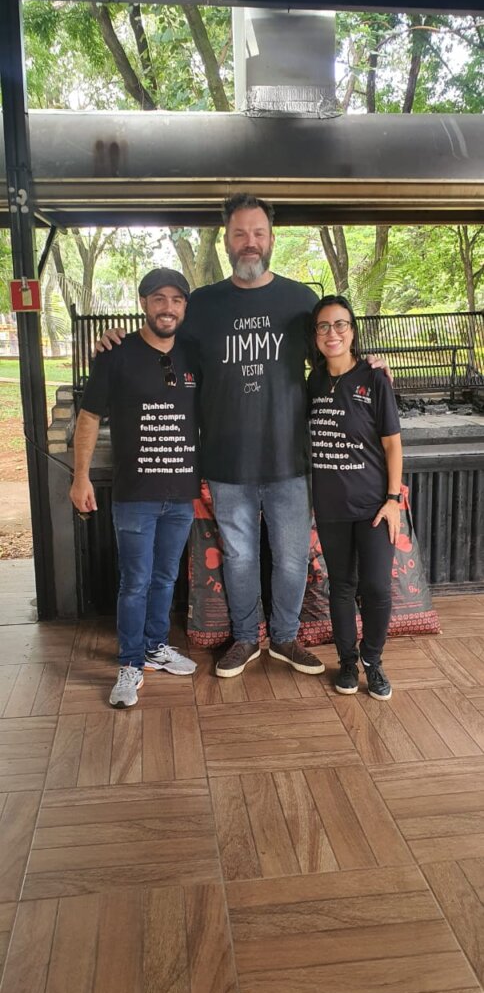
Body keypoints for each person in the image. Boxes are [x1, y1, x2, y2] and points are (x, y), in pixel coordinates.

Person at [98, 194, 389, 681]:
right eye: (239, 234)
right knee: (239, 558)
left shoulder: (300, 300)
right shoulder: (203, 304)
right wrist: (116, 341)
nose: (249, 242)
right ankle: (245, 637)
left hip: (290, 461)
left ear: (271, 239)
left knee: (292, 558)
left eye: (257, 233)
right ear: (227, 241)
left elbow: (334, 352)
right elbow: (160, 336)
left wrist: (371, 363)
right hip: (226, 461)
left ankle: (285, 638)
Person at [70, 267, 200, 708]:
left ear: (185, 307)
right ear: (144, 303)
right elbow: (89, 417)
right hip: (135, 496)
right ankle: (129, 663)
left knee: (165, 577)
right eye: (159, 298)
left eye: (176, 300)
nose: (168, 307)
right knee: (135, 582)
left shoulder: (194, 354)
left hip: (181, 495)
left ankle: (155, 647)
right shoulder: (116, 353)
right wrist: (80, 476)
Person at [308, 294, 403, 700]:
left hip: (374, 507)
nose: (332, 333)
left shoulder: (374, 377)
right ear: (315, 336)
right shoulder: (312, 382)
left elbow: (392, 444)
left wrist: (393, 498)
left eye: (340, 324)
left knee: (377, 588)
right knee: (342, 587)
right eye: (324, 326)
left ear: (352, 331)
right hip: (330, 507)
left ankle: (372, 660)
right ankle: (347, 661)